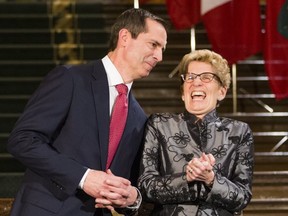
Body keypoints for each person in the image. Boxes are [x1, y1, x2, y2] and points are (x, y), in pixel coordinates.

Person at [7, 8, 167, 216]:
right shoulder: (71, 79)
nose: (160, 56)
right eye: (153, 45)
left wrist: (132, 197)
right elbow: (22, 140)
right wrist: (83, 177)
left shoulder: (138, 117)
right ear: (125, 37)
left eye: (162, 49)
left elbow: (129, 181)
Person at [138, 49, 254, 215]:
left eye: (206, 77)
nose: (196, 82)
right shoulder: (159, 124)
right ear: (183, 93)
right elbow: (145, 186)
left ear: (222, 91)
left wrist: (211, 179)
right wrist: (187, 178)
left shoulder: (239, 131)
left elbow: (242, 198)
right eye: (190, 77)